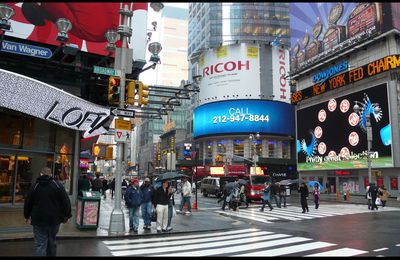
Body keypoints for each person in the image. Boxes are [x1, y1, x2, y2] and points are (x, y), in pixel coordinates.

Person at [23, 166, 71, 257]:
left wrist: (27, 216)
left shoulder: (35, 186)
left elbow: (28, 202)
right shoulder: (57, 185)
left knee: (40, 245)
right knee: (51, 242)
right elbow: (66, 202)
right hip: (54, 220)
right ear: (51, 174)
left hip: (38, 220)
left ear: (41, 174)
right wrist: (66, 216)